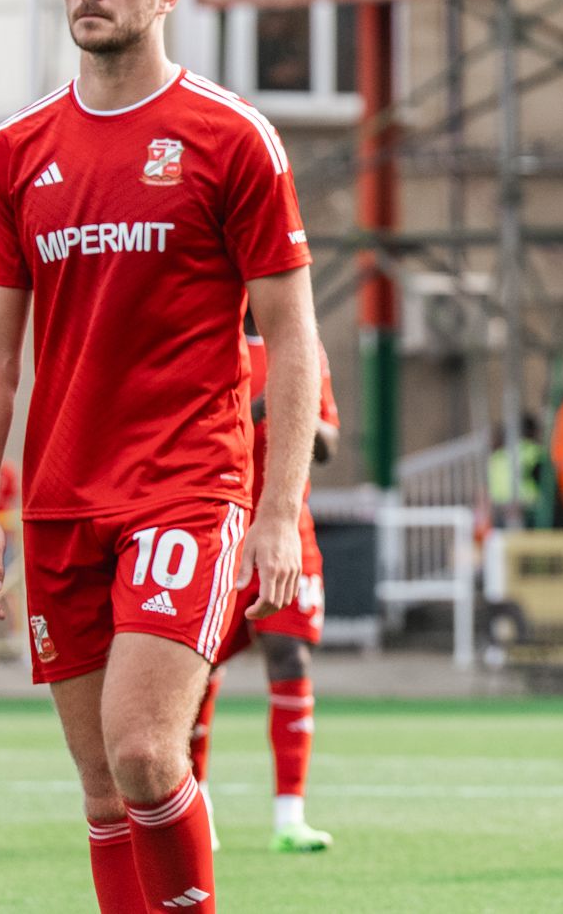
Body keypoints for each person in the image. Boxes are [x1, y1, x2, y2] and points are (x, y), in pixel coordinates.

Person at [0, 0, 319, 913]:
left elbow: (293, 335)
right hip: (60, 499)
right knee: (103, 789)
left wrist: (278, 512)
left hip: (183, 486)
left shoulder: (231, 137)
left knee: (147, 751)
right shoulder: (15, 151)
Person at [190, 316, 342, 853]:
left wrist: (295, 410)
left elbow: (329, 443)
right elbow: (192, 430)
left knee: (290, 654)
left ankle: (290, 817)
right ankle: (196, 806)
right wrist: (257, 407)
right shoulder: (209, 333)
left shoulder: (303, 343)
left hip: (287, 530)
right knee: (197, 666)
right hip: (217, 527)